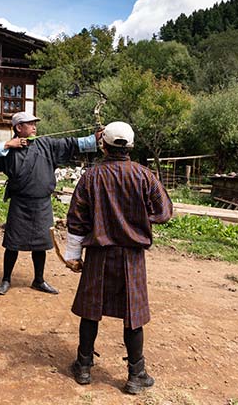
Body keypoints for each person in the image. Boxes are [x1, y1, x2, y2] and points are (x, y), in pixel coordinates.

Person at [63, 121, 173, 395]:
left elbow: (76, 219)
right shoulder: (144, 176)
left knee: (91, 310)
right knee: (133, 316)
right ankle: (136, 375)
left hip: (99, 253)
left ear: (104, 145)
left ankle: (84, 367)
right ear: (131, 146)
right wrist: (137, 220)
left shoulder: (91, 176)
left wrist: (73, 255)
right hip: (132, 256)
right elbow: (164, 212)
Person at [0, 112, 100, 296]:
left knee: (41, 245)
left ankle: (39, 280)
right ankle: (5, 279)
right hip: (20, 204)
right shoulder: (8, 150)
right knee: (12, 244)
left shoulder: (46, 144)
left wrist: (95, 138)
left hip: (42, 204)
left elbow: (70, 144)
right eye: (30, 124)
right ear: (19, 128)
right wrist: (7, 144)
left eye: (35, 123)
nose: (35, 127)